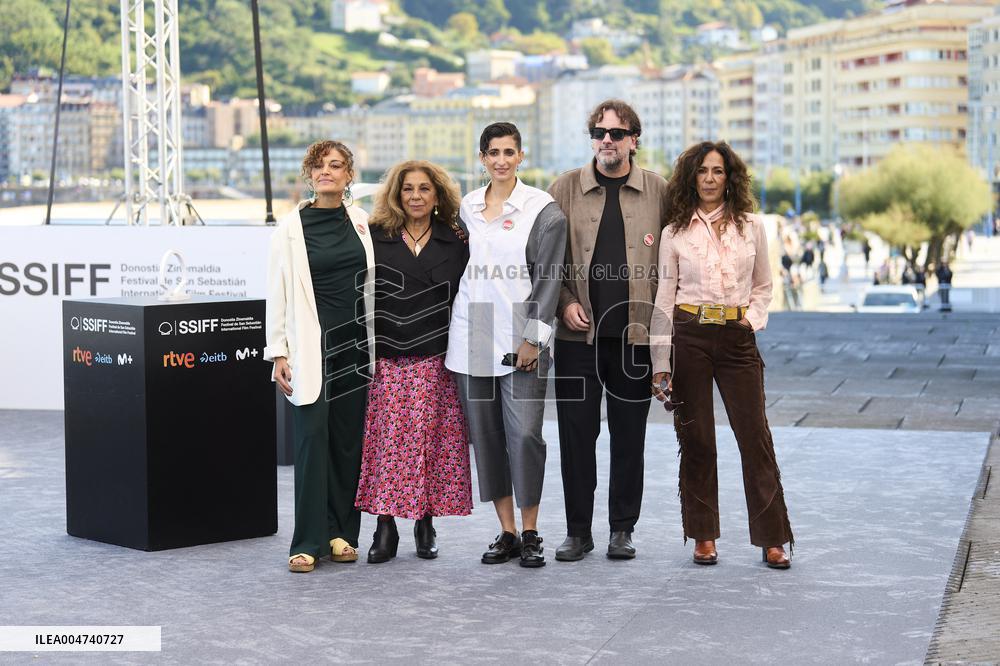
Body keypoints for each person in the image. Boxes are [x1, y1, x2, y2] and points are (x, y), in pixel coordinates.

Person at [649, 141, 794, 569]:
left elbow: (765, 286)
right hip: (688, 335)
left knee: (755, 438)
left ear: (730, 177)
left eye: (717, 171)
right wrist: (660, 363)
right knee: (697, 439)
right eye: (702, 171)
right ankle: (704, 536)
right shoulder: (675, 231)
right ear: (690, 178)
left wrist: (750, 320)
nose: (710, 179)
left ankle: (772, 539)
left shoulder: (751, 226)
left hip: (736, 337)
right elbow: (663, 299)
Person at [548, 99, 669, 562]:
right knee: (576, 437)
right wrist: (565, 304)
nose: (606, 141)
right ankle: (578, 532)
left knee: (628, 434)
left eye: (616, 133)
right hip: (578, 339)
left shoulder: (659, 190)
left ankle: (623, 528)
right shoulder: (565, 189)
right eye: (599, 132)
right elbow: (545, 261)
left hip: (634, 338)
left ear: (633, 140)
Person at [445, 122, 567, 568]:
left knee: (526, 435)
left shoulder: (543, 209)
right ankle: (507, 532)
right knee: (487, 437)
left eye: (508, 152)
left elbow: (550, 279)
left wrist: (534, 338)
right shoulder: (465, 209)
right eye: (492, 152)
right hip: (472, 331)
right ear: (482, 158)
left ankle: (532, 530)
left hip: (522, 337)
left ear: (521, 156)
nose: (500, 160)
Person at [264, 140, 375, 573]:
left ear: (349, 175)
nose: (326, 171)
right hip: (311, 346)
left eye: (336, 165)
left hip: (356, 346)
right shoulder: (290, 228)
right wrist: (278, 353)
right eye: (318, 166)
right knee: (312, 442)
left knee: (348, 444)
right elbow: (278, 294)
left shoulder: (362, 222)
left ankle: (342, 534)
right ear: (308, 175)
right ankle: (307, 540)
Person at [355, 160, 473, 563]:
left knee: (431, 445)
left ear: (438, 194)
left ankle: (425, 522)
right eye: (408, 189)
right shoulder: (375, 236)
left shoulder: (456, 239)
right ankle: (384, 526)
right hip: (388, 357)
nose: (416, 196)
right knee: (388, 446)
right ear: (396, 194)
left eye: (425, 189)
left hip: (438, 357)